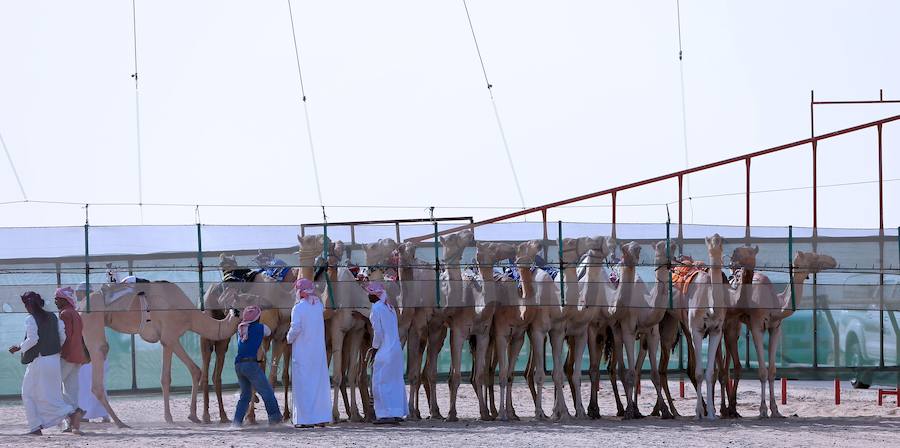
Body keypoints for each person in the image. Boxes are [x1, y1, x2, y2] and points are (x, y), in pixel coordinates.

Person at [8, 292, 79, 435]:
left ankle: (40, 425)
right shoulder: (53, 316)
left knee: (27, 393)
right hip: (53, 360)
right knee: (51, 394)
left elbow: (33, 339)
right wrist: (54, 350)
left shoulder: (30, 319)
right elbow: (62, 337)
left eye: (25, 305)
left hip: (39, 361)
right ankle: (68, 414)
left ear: (28, 305)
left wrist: (19, 347)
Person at [285, 278, 331, 428]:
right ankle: (321, 417)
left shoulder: (298, 308)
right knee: (318, 384)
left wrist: (288, 338)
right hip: (318, 353)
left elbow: (296, 328)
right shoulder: (318, 305)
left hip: (303, 353)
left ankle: (305, 420)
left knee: (303, 385)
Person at [232, 305, 282, 427]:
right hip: (251, 364)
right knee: (267, 391)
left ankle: (237, 422)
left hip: (239, 364)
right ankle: (275, 419)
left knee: (245, 395)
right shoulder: (260, 327)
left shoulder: (241, 328)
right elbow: (269, 332)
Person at [365, 282, 407, 424]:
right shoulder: (390, 307)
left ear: (374, 295)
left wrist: (374, 348)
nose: (368, 295)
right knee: (395, 382)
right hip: (395, 350)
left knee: (380, 382)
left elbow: (378, 333)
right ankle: (396, 412)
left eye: (369, 293)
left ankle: (384, 414)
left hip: (385, 350)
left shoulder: (376, 308)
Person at [74, 282, 110, 423]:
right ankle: (102, 413)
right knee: (90, 384)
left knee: (88, 384)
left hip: (90, 354)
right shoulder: (85, 308)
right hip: (92, 352)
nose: (77, 296)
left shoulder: (89, 309)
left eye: (79, 293)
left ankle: (90, 414)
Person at [55, 287, 88, 432]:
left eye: (57, 298)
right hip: (78, 357)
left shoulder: (64, 314)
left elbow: (64, 337)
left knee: (52, 387)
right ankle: (73, 424)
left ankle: (73, 412)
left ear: (64, 299)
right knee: (71, 390)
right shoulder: (75, 313)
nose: (55, 301)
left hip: (67, 356)